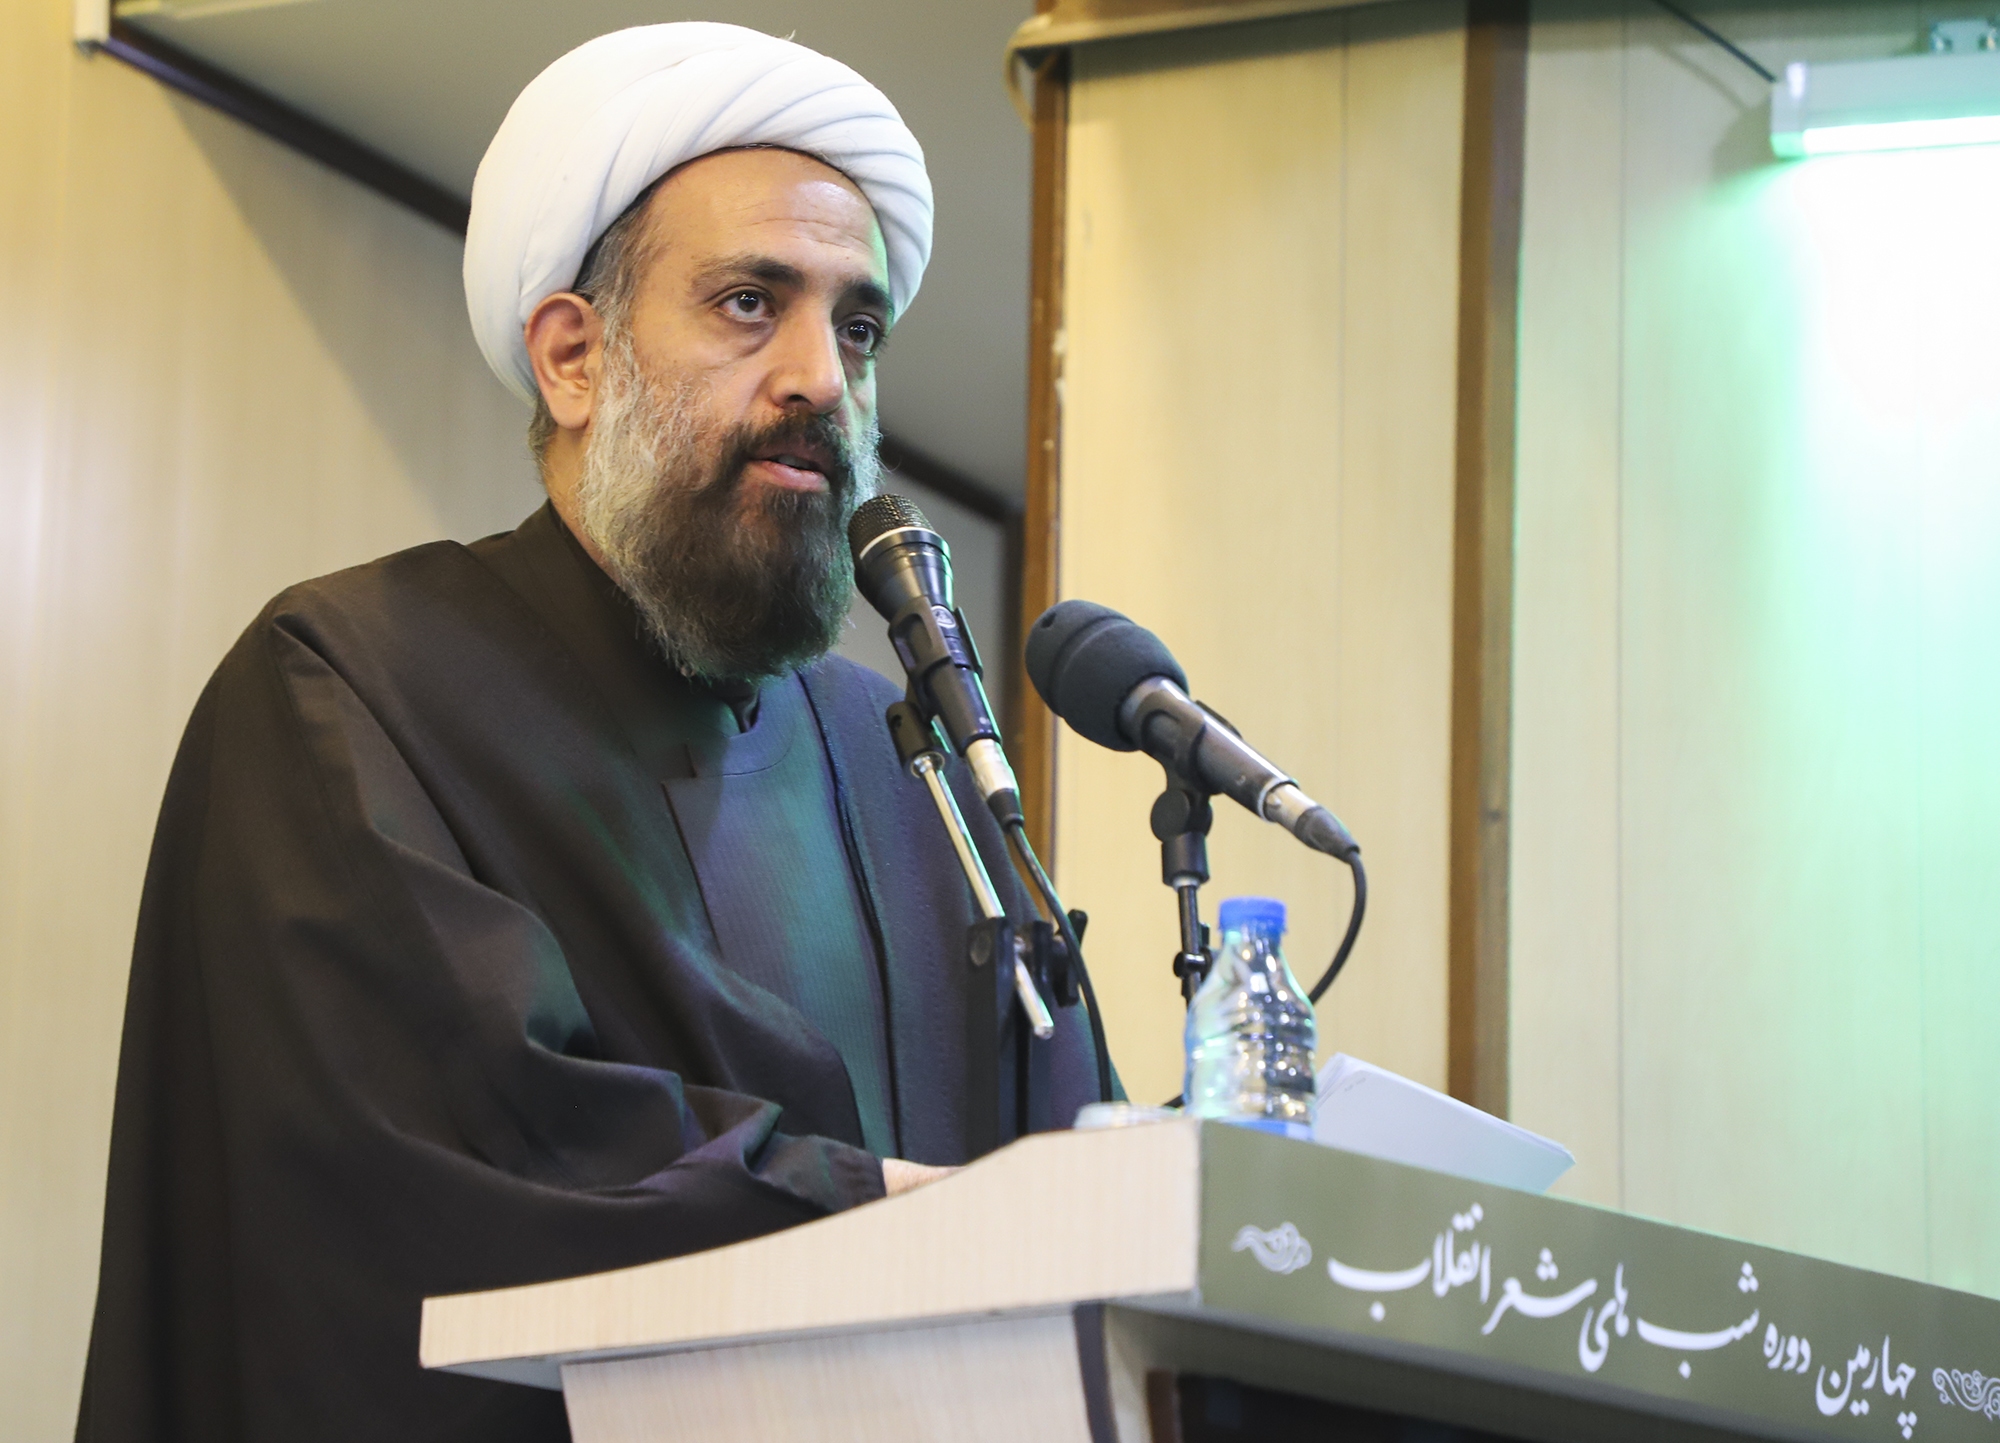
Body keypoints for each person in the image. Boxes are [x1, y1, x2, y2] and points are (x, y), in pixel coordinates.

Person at [75, 23, 1101, 1443]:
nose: (823, 377)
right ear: (573, 358)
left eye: (857, 329)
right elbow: (469, 1164)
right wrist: (882, 1216)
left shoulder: (902, 754)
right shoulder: (350, 685)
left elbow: (1076, 1180)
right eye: (751, 302)